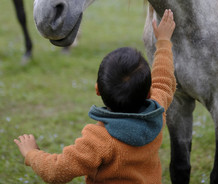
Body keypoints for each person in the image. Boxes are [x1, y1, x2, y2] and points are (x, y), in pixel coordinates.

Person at [14, 9, 176, 184]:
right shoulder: (157, 111)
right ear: (149, 93)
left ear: (97, 89)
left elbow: (56, 171)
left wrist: (32, 154)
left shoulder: (100, 141)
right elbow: (163, 80)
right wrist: (164, 42)